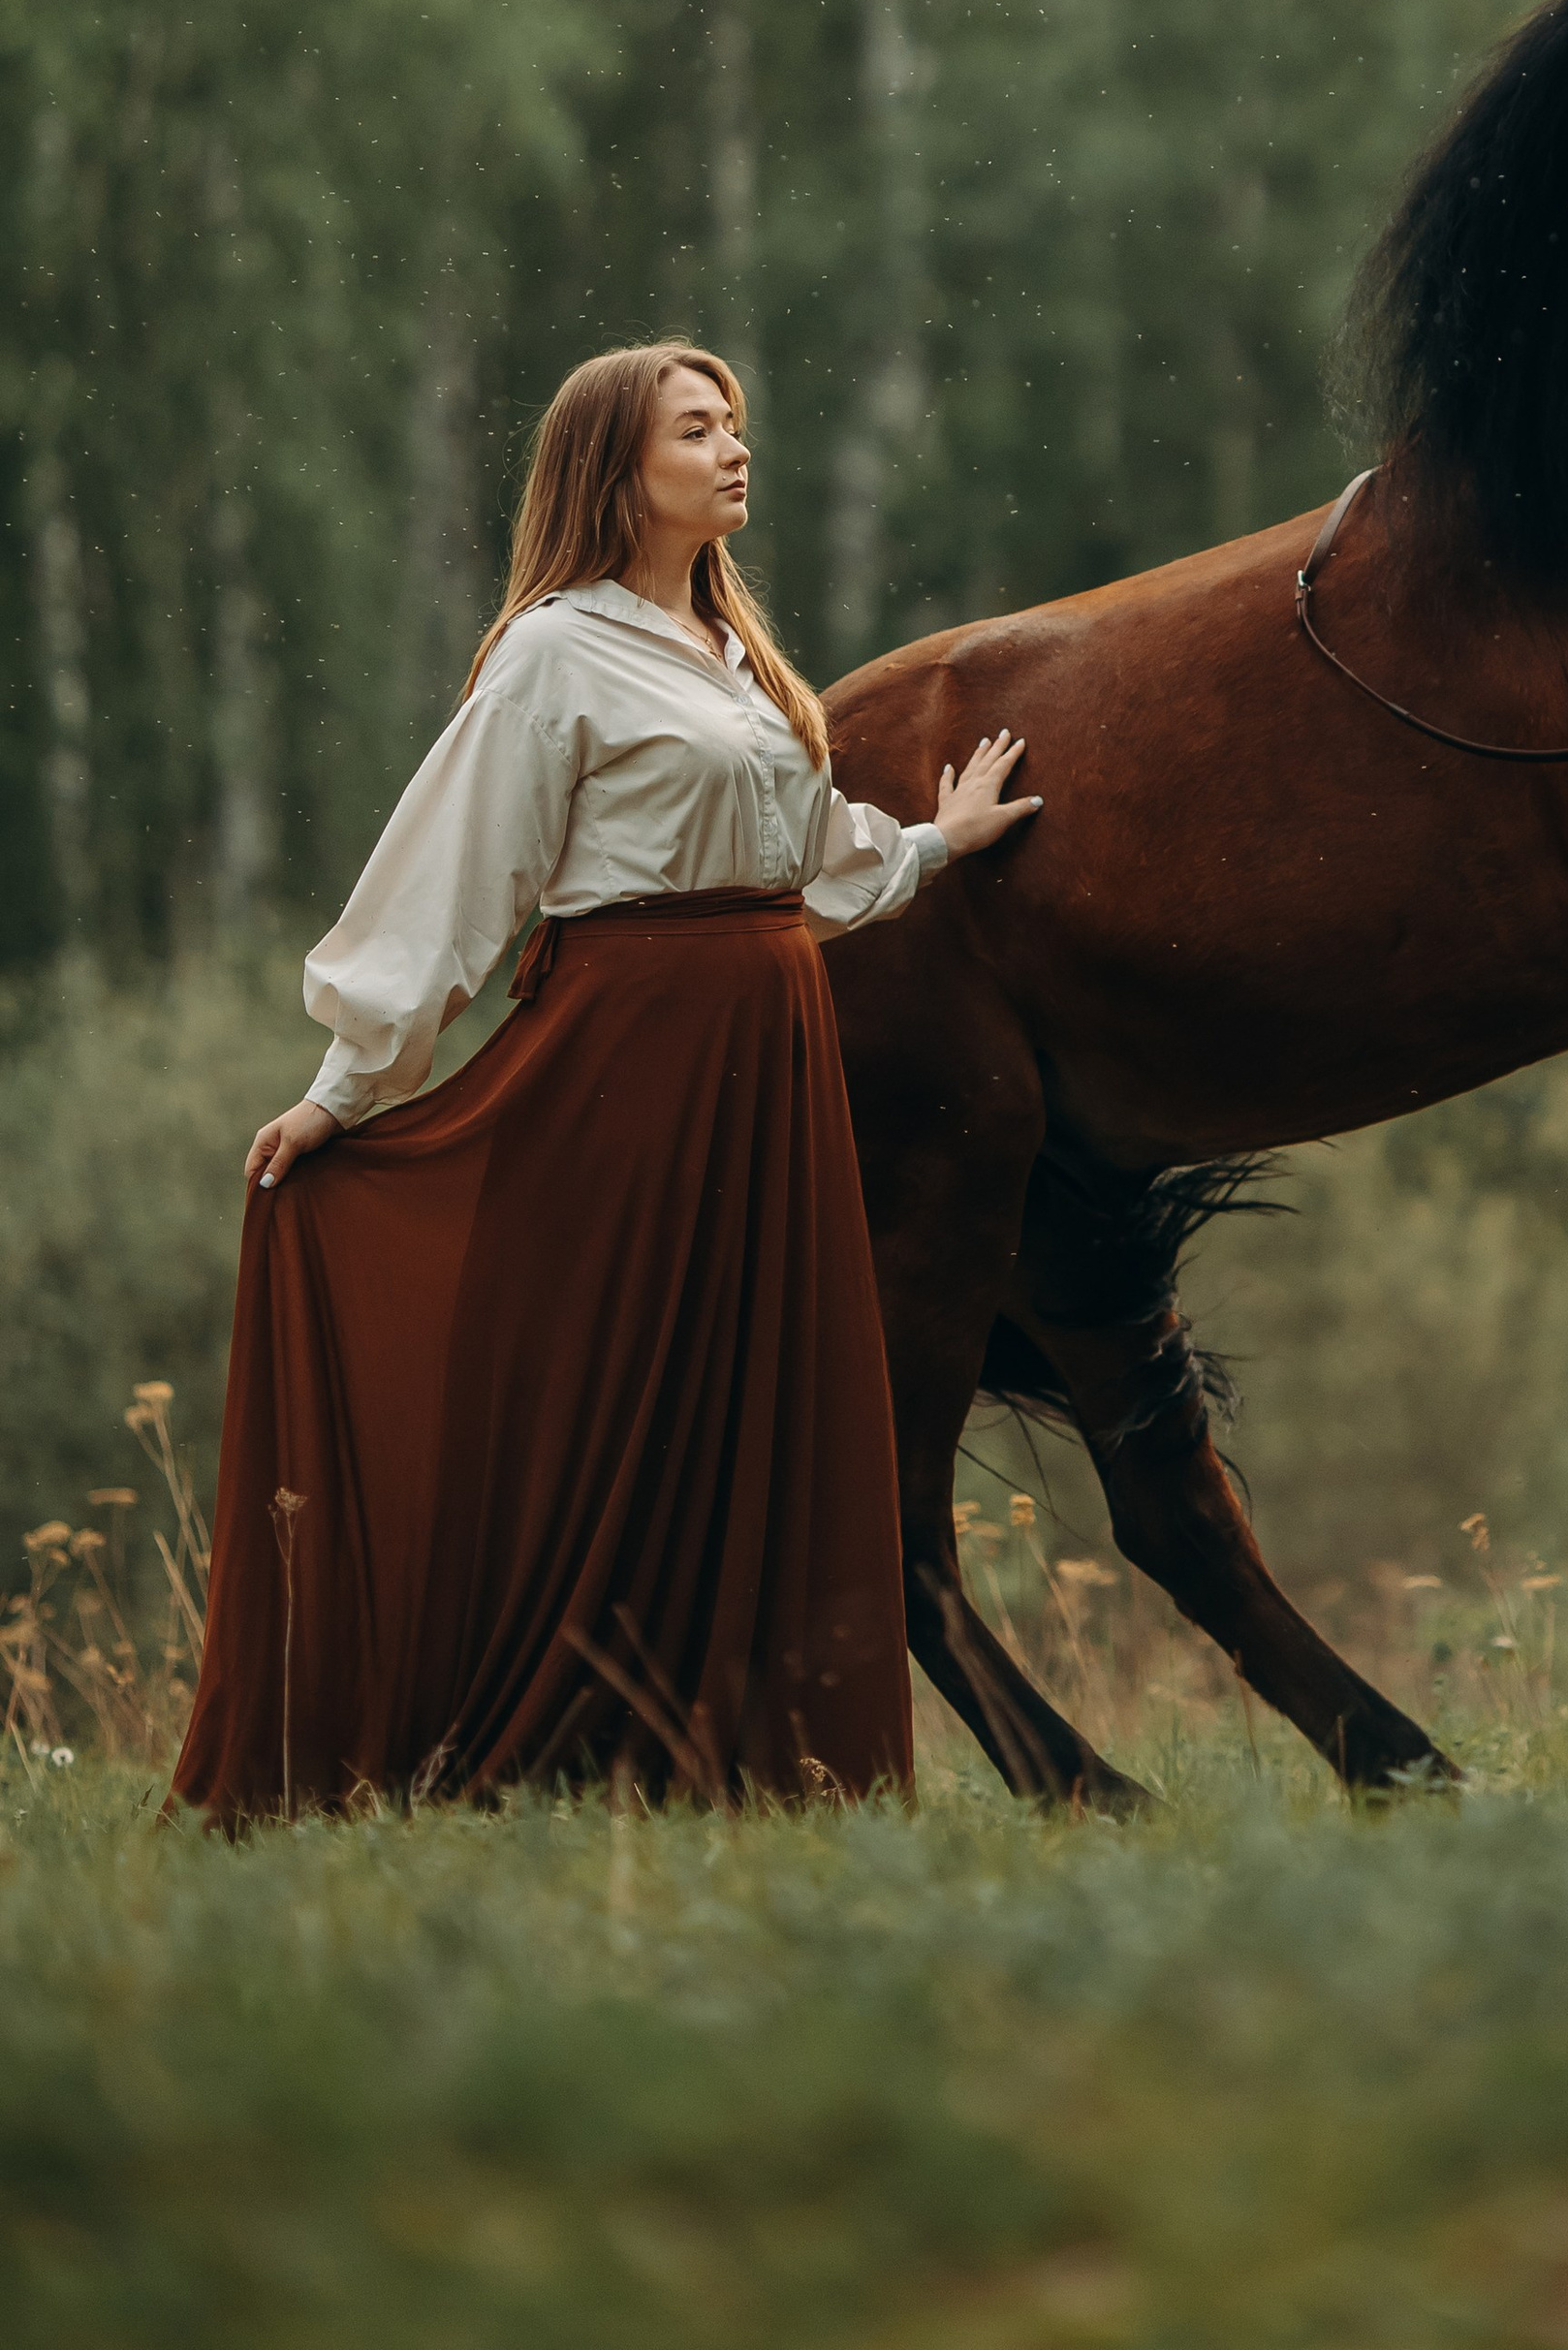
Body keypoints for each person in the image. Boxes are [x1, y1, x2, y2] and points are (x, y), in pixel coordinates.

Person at [168, 342, 1037, 1824]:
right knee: (619, 1391)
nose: (731, 451)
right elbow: (458, 873)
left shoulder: (730, 652)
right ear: (615, 471)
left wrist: (939, 845)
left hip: (767, 1057)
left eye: (736, 427)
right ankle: (537, 1746)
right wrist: (349, 1086)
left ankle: (727, 1759)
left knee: (746, 1391)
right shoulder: (553, 652)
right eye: (696, 432)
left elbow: (807, 863)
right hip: (631, 1054)